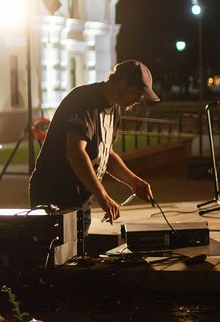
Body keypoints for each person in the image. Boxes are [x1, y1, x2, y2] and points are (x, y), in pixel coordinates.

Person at [29, 60, 160, 234]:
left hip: (81, 198)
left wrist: (134, 182)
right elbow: (75, 152)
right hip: (55, 194)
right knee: (56, 257)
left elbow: (106, 154)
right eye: (136, 93)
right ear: (122, 83)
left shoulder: (115, 108)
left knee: (77, 256)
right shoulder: (84, 101)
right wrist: (103, 196)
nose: (138, 100)